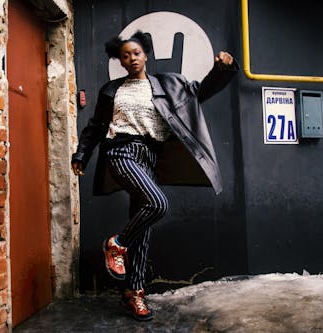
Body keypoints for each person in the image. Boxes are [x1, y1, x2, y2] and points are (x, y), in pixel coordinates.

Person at [71, 31, 238, 321]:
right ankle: (117, 244)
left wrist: (221, 69)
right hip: (120, 150)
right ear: (120, 61)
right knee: (158, 204)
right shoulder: (111, 90)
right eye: (125, 55)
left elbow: (200, 92)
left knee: (145, 228)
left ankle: (134, 293)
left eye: (136, 53)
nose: (131, 58)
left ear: (146, 54)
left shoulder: (169, 84)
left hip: (150, 155)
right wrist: (81, 154)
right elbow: (97, 126)